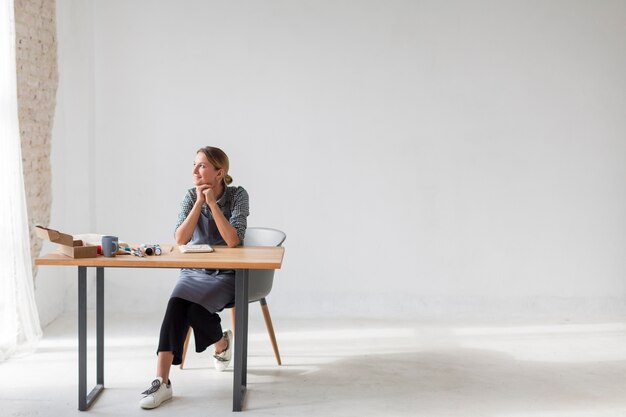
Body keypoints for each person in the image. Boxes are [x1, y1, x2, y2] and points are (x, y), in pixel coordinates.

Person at [139, 146, 249, 409]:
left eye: (201, 166)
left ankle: (222, 344)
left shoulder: (237, 196)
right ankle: (161, 381)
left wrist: (212, 203)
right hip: (193, 271)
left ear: (219, 172)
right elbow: (180, 239)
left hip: (226, 275)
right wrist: (199, 202)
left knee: (195, 313)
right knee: (176, 306)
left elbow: (234, 240)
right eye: (195, 165)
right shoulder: (190, 196)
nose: (194, 171)